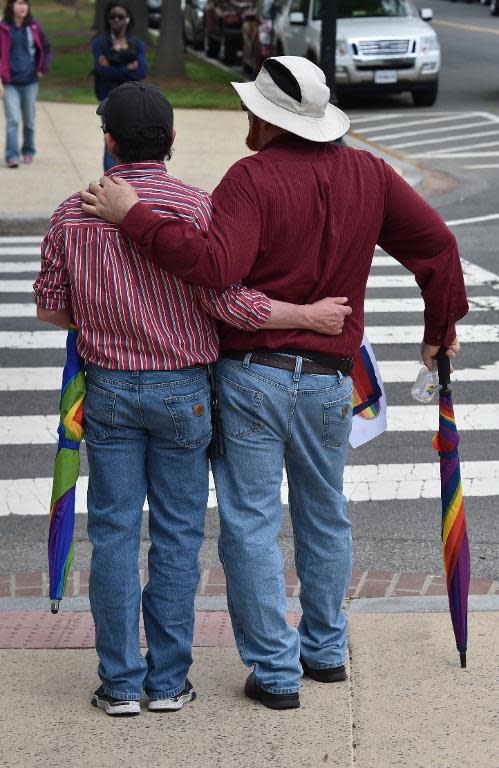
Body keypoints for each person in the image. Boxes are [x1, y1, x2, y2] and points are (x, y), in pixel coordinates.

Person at [81, 57, 469, 710]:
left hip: (251, 379)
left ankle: (276, 670)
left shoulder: (250, 179)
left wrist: (133, 216)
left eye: (250, 109)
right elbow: (436, 248)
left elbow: (211, 268)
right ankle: (323, 649)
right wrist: (438, 331)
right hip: (326, 381)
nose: (244, 117)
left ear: (268, 117)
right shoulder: (369, 175)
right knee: (324, 517)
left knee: (251, 526)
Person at [34, 81, 352, 717]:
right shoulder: (200, 209)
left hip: (112, 390)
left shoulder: (72, 215)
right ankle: (169, 681)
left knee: (116, 533)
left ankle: (120, 682)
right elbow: (225, 299)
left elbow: (52, 308)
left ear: (109, 142)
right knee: (179, 536)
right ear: (173, 141)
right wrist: (307, 315)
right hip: (185, 391)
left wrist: (105, 314)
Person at [92, 2, 147, 171]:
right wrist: (128, 67)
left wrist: (112, 65)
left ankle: (129, 178)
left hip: (132, 97)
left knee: (131, 140)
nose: (116, 20)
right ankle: (111, 179)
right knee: (111, 140)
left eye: (120, 17)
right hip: (108, 98)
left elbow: (142, 71)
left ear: (128, 19)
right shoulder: (100, 43)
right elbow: (101, 71)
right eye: (112, 17)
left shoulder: (137, 44)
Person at [0, 0, 51, 167]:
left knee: (29, 121)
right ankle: (12, 156)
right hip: (9, 83)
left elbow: (46, 47)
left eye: (25, 3)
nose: (23, 7)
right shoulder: (3, 27)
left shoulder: (33, 26)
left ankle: (28, 150)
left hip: (30, 82)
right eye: (19, 3)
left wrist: (42, 67)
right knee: (13, 120)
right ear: (11, 6)